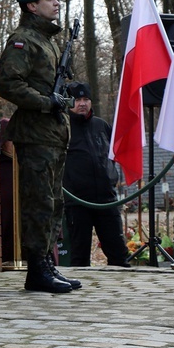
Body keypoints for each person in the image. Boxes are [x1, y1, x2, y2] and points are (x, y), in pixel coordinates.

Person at [0, 0, 81, 294]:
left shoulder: (48, 41)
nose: (56, 2)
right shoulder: (23, 40)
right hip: (35, 135)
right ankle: (36, 270)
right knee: (38, 203)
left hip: (53, 134)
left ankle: (46, 264)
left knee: (54, 203)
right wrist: (47, 102)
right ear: (32, 5)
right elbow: (8, 83)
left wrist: (62, 100)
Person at [63, 82, 131, 267]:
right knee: (79, 257)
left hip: (106, 200)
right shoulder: (63, 127)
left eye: (86, 99)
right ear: (70, 102)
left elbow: (114, 155)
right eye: (77, 100)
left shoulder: (102, 126)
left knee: (119, 256)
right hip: (78, 202)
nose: (82, 103)